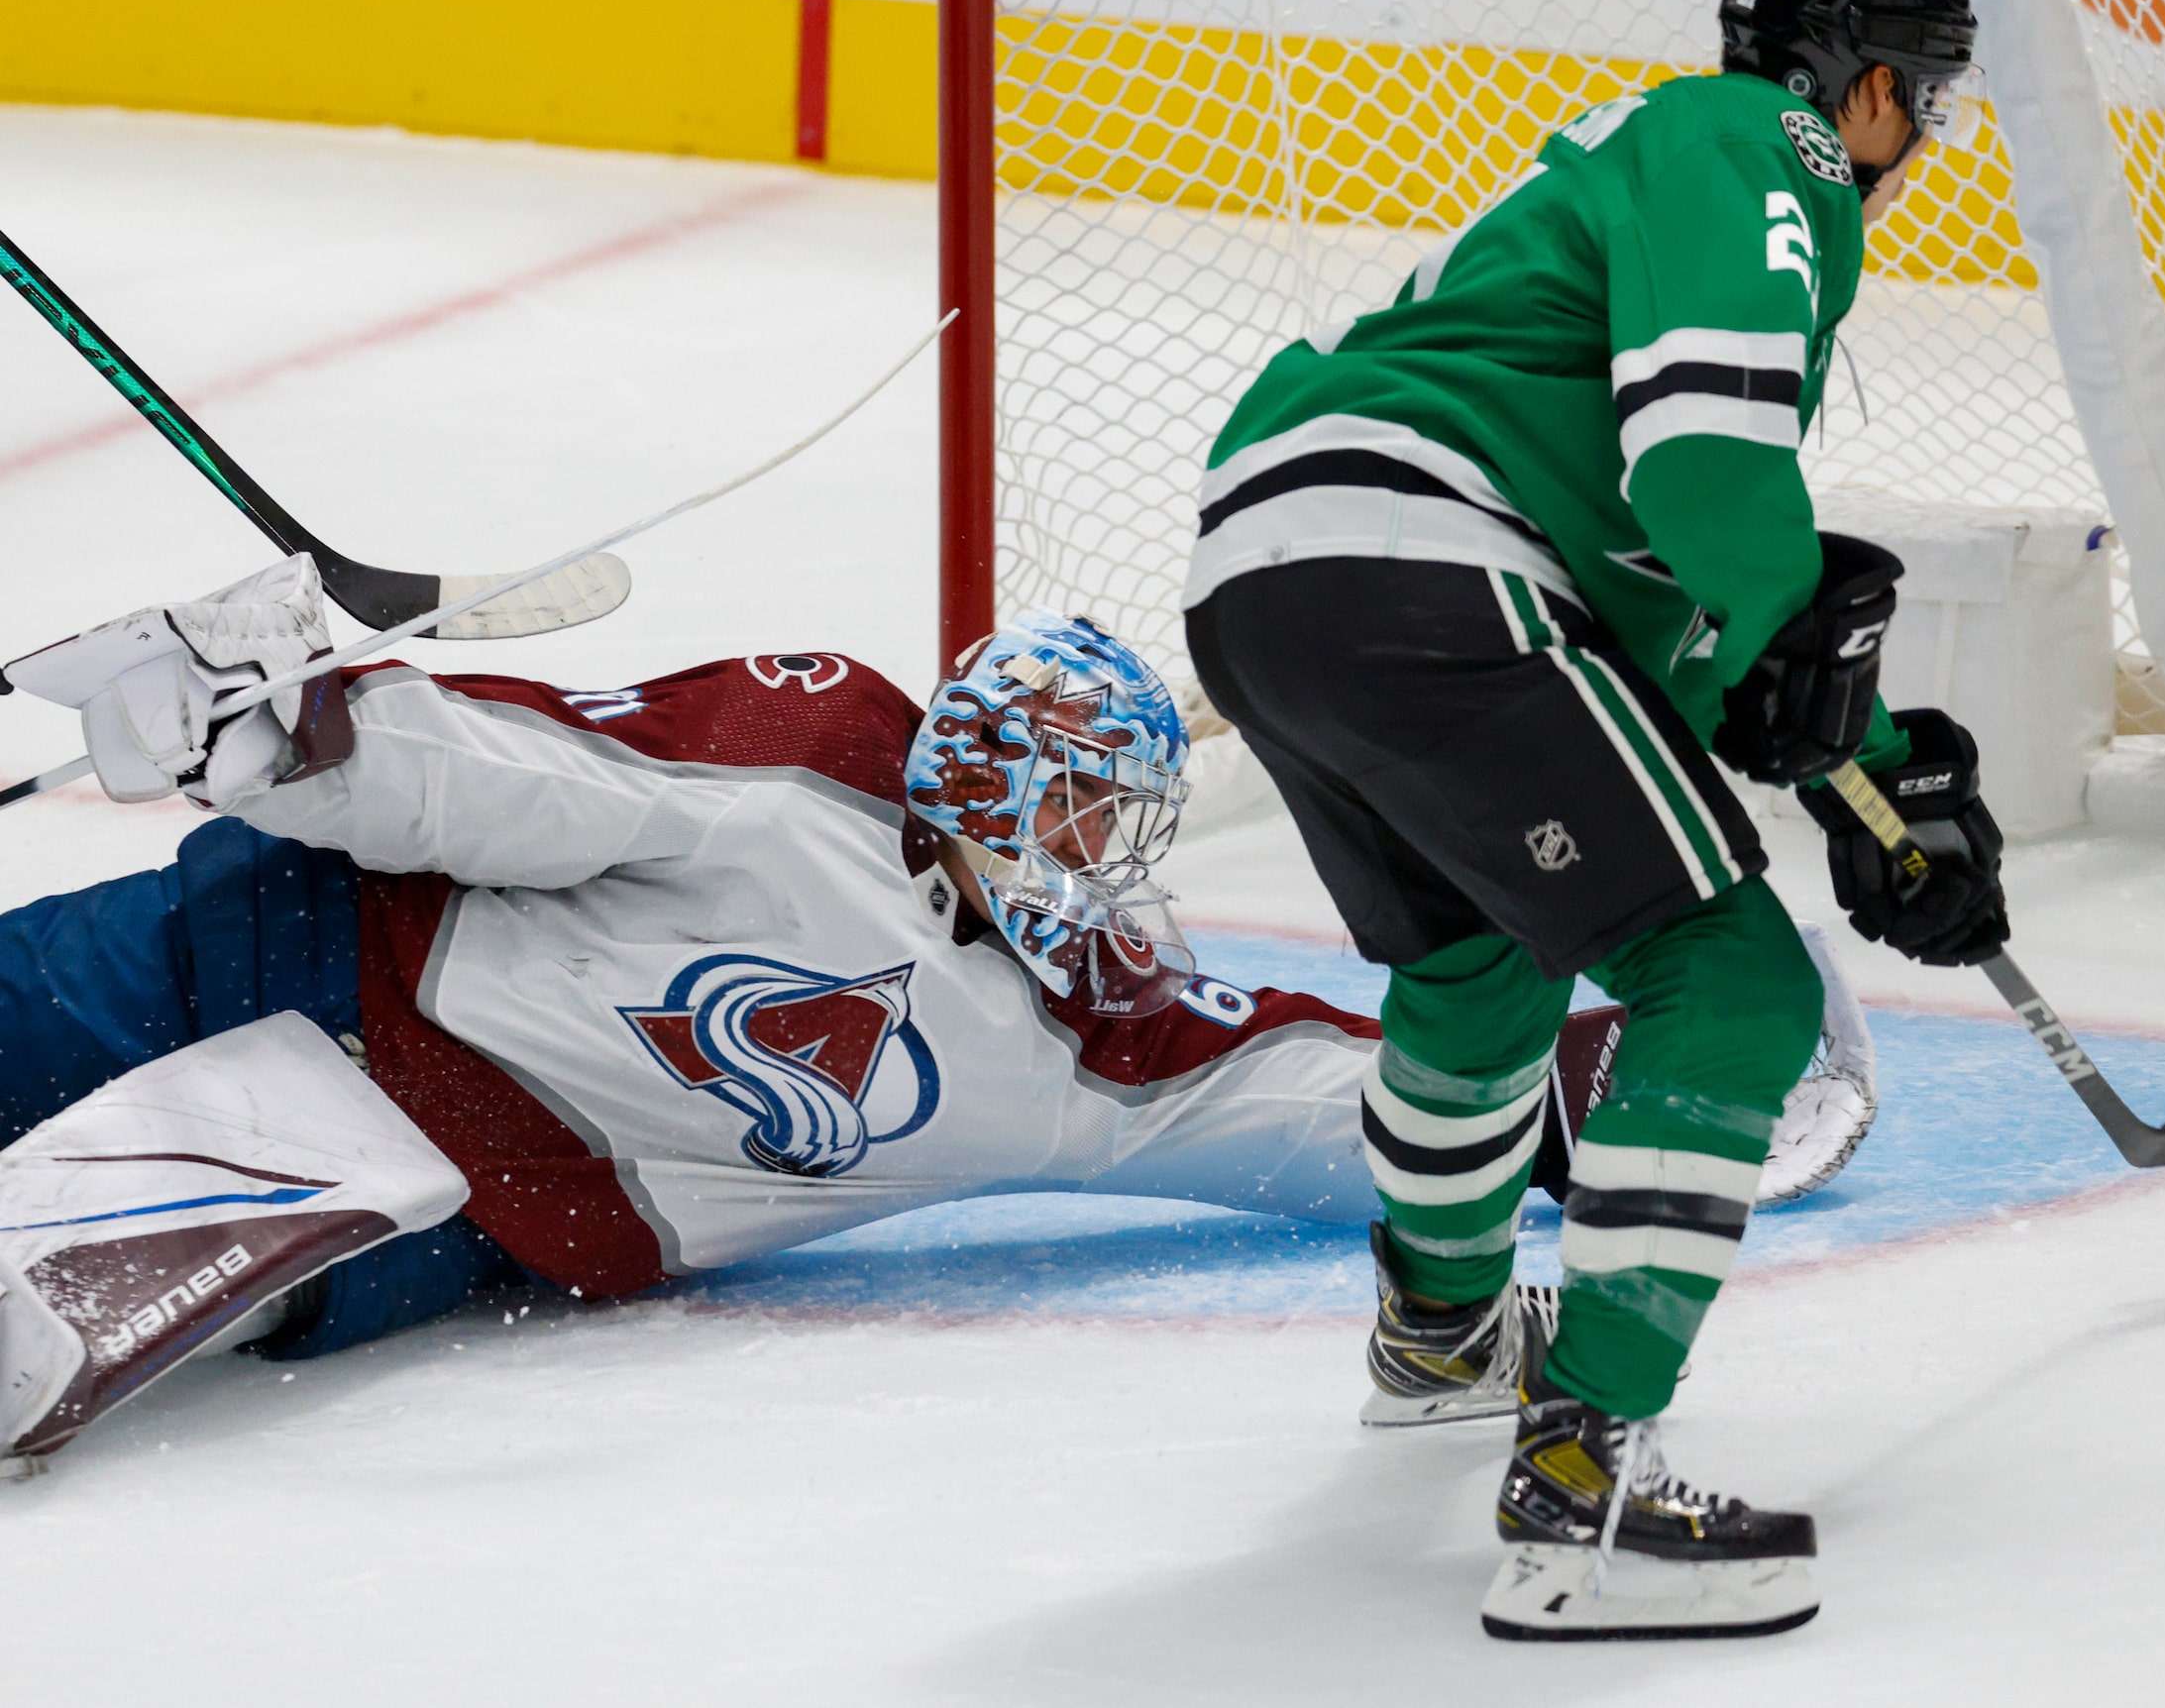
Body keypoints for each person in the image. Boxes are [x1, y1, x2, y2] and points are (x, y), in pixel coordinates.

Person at [0, 556, 1872, 1473]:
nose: (1103, 867)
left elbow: (1323, 1099)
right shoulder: (801, 768)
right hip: (282, 950)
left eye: (1117, 827)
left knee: (155, 1280)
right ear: (975, 780)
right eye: (1071, 812)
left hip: (460, 1194)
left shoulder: (1091, 1049)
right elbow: (513, 778)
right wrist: (295, 732)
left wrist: (1608, 1091)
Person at [1184, 0, 2003, 1639]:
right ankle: (1587, 1485)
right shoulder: (1751, 143)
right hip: (1428, 560)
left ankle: (1442, 1337)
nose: (1917, 139)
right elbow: (1713, 483)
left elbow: (1673, 670)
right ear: (1864, 91)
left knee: (1481, 951)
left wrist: (1876, 778)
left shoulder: (1616, 213)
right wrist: (1829, 691)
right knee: (1728, 981)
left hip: (1274, 574)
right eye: (1920, 99)